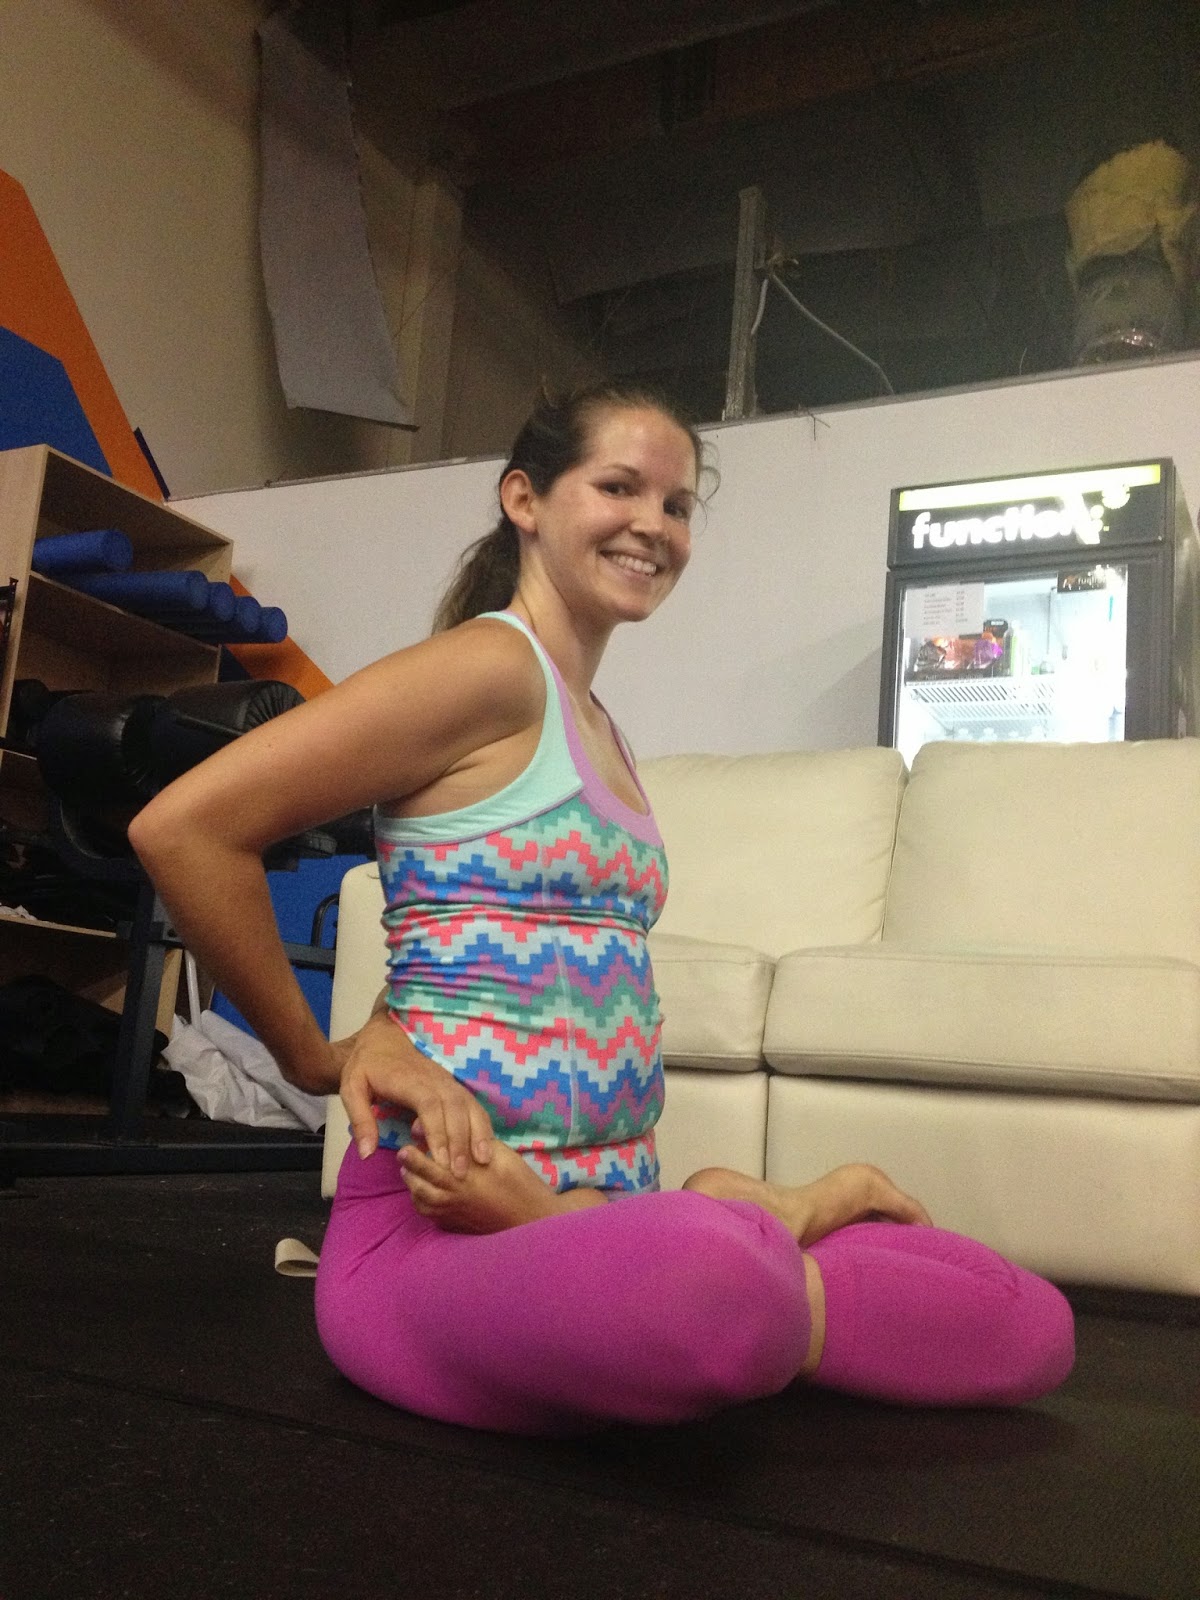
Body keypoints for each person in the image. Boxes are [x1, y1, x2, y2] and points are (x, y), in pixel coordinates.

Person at [129, 382, 1075, 1436]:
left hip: (609, 1221)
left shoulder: (600, 723)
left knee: (1029, 1327)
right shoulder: (490, 667)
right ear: (525, 500)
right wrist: (318, 1058)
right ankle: (743, 1231)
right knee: (713, 1292)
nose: (652, 524)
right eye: (619, 487)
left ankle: (730, 1235)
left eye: (676, 504)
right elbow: (187, 829)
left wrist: (597, 1215)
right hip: (441, 1228)